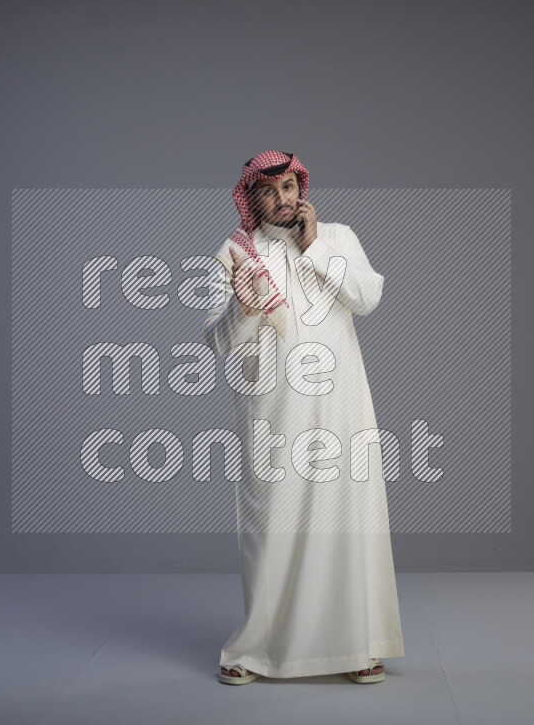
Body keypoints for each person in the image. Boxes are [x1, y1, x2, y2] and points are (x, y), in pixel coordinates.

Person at [202, 150, 404, 685]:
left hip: (340, 408)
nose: (283, 198)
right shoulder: (234, 253)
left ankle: (358, 644)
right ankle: (258, 648)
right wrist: (242, 310)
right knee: (270, 527)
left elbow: (368, 297)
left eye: (289, 186)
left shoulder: (338, 237)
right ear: (251, 198)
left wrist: (314, 248)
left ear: (301, 187)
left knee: (348, 521)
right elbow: (217, 342)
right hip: (272, 412)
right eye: (269, 191)